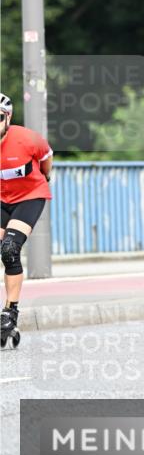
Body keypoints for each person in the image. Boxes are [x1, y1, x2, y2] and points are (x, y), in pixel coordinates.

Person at [0, 94, 53, 347]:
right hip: (2, 199)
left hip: (29, 197)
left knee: (10, 249)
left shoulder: (27, 139)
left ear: (7, 118)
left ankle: (10, 312)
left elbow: (46, 159)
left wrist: (45, 177)